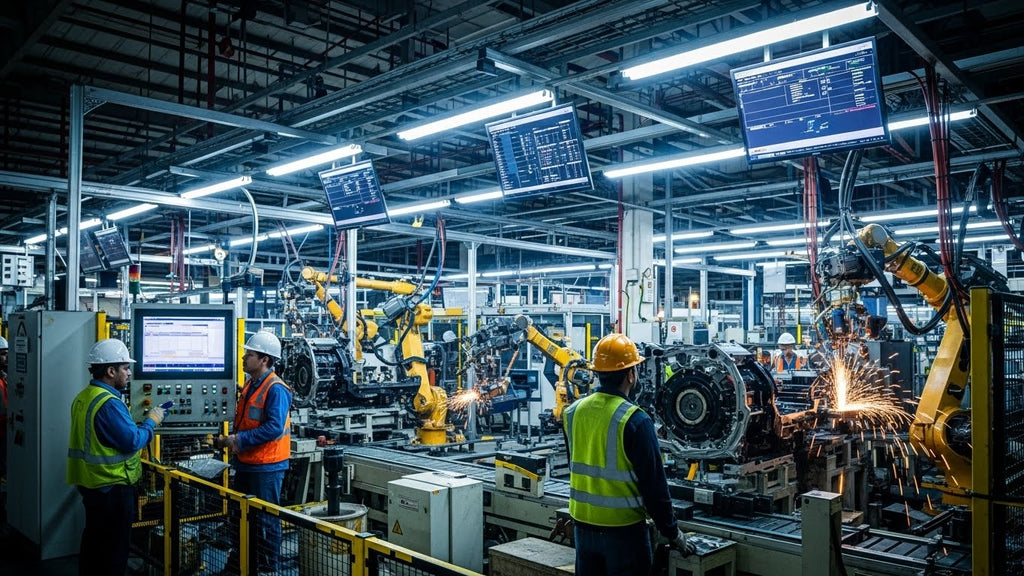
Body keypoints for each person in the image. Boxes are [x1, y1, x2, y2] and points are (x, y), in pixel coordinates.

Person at [563, 333, 695, 576]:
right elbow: (655, 488)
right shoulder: (635, 420)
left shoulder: (573, 412)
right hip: (623, 534)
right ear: (630, 375)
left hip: (583, 529)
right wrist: (673, 533)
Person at [66, 338, 167, 576]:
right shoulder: (109, 404)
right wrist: (152, 421)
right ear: (111, 371)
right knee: (113, 552)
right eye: (125, 368)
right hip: (111, 487)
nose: (129, 373)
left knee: (94, 546)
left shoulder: (84, 396)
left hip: (91, 484)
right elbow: (133, 440)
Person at [214, 331, 292, 575]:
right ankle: (242, 562)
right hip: (247, 462)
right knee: (241, 516)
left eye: (250, 354)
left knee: (266, 520)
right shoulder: (250, 383)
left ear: (265, 360)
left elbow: (273, 427)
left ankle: (269, 568)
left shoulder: (276, 389)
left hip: (266, 466)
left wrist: (236, 440)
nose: (244, 357)